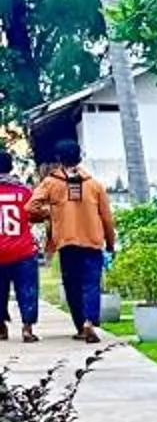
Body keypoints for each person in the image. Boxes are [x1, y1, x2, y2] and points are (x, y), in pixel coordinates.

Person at [29, 138, 114, 344]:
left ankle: (80, 326)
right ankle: (89, 322)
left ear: (58, 159)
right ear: (80, 157)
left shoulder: (51, 183)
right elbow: (107, 218)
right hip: (93, 242)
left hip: (67, 243)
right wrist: (110, 244)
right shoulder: (94, 185)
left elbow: (31, 208)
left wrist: (51, 212)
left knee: (73, 286)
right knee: (91, 284)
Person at [0, 141, 39, 340]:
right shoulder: (24, 192)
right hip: (22, 250)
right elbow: (34, 215)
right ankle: (27, 327)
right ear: (11, 167)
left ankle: (1, 327)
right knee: (27, 289)